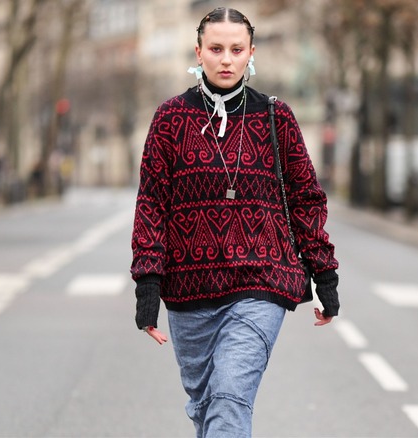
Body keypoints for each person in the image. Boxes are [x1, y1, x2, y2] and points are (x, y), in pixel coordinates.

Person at [130, 7, 340, 437]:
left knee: (229, 396)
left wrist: (325, 275)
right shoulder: (169, 120)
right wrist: (148, 284)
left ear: (251, 54)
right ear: (199, 52)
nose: (226, 59)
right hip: (190, 291)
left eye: (236, 49)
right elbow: (151, 204)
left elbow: (305, 198)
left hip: (260, 282)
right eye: (216, 49)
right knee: (205, 407)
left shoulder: (275, 117)